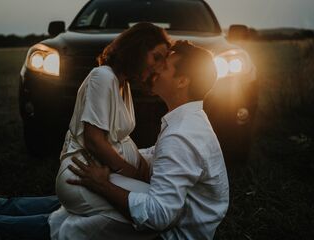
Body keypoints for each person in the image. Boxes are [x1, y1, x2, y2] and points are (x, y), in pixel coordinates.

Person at [0, 22, 170, 239]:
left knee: (65, 214)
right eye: (156, 57)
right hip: (83, 169)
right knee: (136, 213)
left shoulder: (122, 83)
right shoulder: (104, 77)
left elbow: (118, 138)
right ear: (137, 48)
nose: (158, 66)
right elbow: (94, 139)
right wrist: (130, 170)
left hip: (99, 170)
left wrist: (140, 167)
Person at [66, 40, 230, 240]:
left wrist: (103, 186)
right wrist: (116, 158)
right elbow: (159, 156)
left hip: (171, 235)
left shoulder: (180, 136)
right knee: (78, 199)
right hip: (175, 225)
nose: (155, 69)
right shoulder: (191, 120)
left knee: (80, 213)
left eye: (165, 66)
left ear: (182, 81)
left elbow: (158, 215)